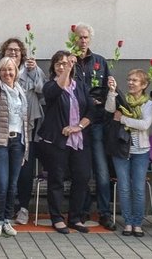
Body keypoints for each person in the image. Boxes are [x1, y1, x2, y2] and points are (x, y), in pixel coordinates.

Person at [38, 50, 92, 234]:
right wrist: (66, 71)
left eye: (66, 63)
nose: (62, 66)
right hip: (56, 141)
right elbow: (54, 93)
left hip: (79, 140)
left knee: (82, 177)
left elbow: (91, 111)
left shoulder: (81, 86)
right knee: (57, 180)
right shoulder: (50, 85)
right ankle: (56, 217)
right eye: (58, 64)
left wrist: (79, 126)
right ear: (53, 68)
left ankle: (75, 217)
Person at [72, 23, 115, 230]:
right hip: (75, 124)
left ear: (90, 39)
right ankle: (82, 209)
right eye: (79, 37)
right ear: (73, 39)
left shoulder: (99, 61)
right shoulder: (67, 60)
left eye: (86, 37)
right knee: (80, 171)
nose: (83, 40)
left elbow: (106, 90)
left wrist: (101, 99)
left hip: (96, 123)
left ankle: (105, 212)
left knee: (101, 169)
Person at [105, 68, 152, 237]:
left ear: (144, 84)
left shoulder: (148, 103)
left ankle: (137, 223)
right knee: (124, 187)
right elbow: (110, 109)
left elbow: (145, 124)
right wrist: (112, 92)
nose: (131, 83)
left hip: (141, 151)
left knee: (138, 188)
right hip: (121, 149)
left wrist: (123, 119)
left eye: (135, 80)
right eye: (129, 79)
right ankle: (127, 221)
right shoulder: (122, 99)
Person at [0, 57, 29, 238]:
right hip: (0, 141)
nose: (7, 73)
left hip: (18, 141)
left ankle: (7, 220)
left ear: (16, 72)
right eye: (4, 70)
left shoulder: (20, 90)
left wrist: (26, 147)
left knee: (12, 184)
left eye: (10, 70)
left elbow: (24, 120)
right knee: (1, 183)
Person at [7, 37, 44, 225]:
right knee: (6, 169)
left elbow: (42, 90)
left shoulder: (30, 71)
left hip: (27, 127)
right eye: (10, 50)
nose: (13, 53)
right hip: (5, 128)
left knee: (25, 168)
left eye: (17, 51)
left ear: (22, 54)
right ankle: (8, 206)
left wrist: (34, 71)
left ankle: (23, 207)